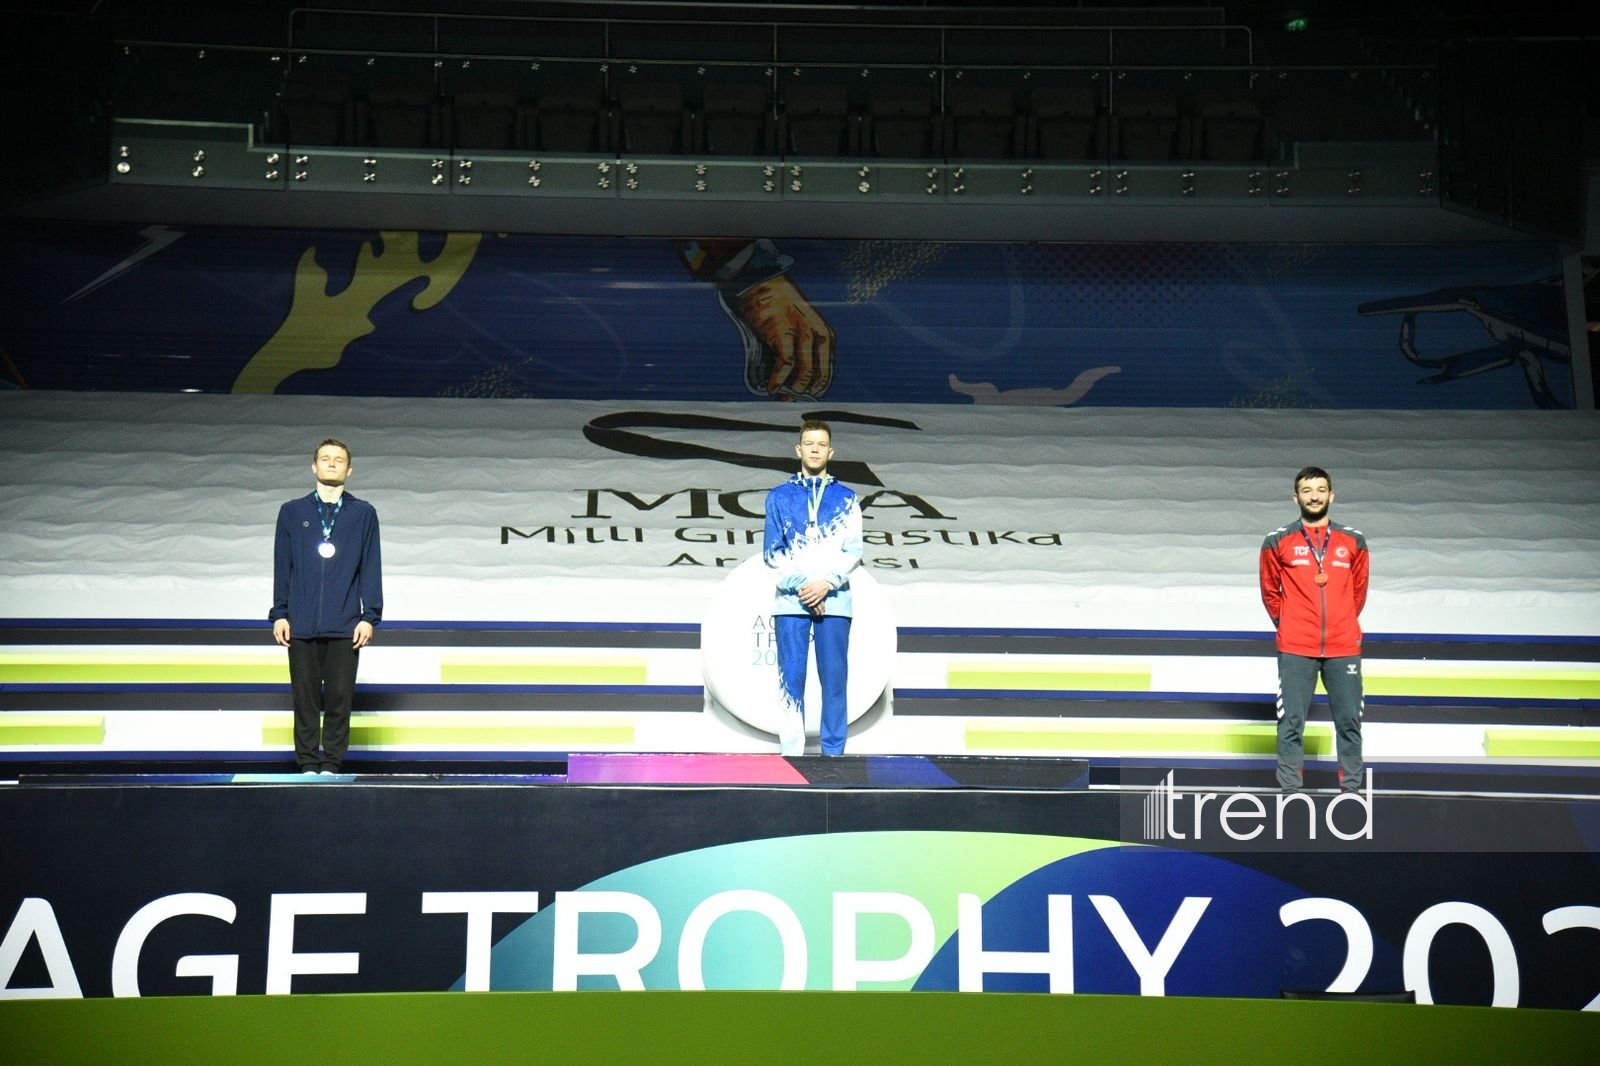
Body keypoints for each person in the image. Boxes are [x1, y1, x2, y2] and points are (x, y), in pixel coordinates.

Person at [270, 439, 383, 775]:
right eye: (325, 458)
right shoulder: (292, 511)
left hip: (345, 624)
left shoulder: (363, 513)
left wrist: (369, 616)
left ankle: (332, 762)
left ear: (349, 469)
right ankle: (306, 763)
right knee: (304, 699)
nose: (331, 464)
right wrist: (279, 613)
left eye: (339, 460)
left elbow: (370, 566)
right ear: (313, 466)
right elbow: (283, 565)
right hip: (301, 623)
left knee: (338, 699)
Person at [1260, 466, 1369, 792]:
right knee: (1291, 723)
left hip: (1343, 646)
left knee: (1349, 722)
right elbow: (1270, 592)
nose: (1315, 496)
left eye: (1321, 489)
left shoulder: (1354, 541)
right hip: (1296, 646)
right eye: (1307, 490)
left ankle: (1351, 790)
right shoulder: (1277, 540)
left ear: (1331, 495)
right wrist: (1292, 624)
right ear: (1296, 497)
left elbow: (1358, 593)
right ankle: (1290, 792)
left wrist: (1342, 621)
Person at [763, 420, 863, 756]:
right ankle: (792, 755)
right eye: (809, 443)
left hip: (834, 600)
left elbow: (854, 552)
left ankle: (834, 754)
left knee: (834, 682)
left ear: (830, 451)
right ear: (799, 449)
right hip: (792, 602)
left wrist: (826, 584)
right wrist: (806, 587)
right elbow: (772, 552)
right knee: (791, 682)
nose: (816, 449)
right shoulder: (778, 497)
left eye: (822, 444)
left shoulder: (847, 498)